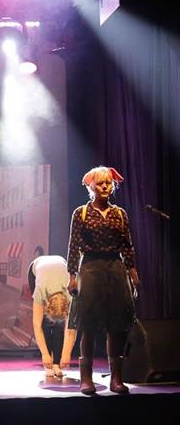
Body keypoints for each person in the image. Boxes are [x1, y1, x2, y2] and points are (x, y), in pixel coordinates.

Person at [67, 166, 139, 395]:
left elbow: (127, 245)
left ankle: (116, 378)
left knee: (117, 326)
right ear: (92, 186)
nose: (106, 186)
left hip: (115, 268)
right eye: (100, 183)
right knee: (88, 325)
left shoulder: (120, 214)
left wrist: (133, 273)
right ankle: (86, 378)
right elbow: (73, 246)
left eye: (109, 183)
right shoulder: (81, 213)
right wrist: (72, 276)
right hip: (90, 268)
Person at [27, 255, 77, 378]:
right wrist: (45, 354)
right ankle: (48, 364)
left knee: (60, 326)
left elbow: (71, 327)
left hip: (59, 264)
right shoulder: (40, 289)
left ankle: (56, 364)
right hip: (36, 268)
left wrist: (66, 353)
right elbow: (36, 325)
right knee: (44, 322)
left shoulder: (71, 292)